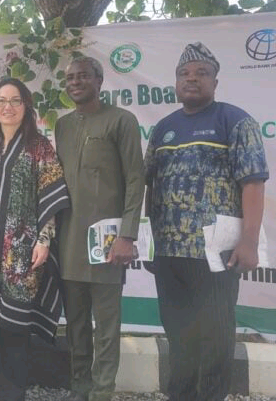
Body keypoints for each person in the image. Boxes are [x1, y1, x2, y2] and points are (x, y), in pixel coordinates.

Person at [144, 42, 268, 401]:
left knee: (215, 338)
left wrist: (249, 241)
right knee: (179, 336)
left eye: (201, 73)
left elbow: (253, 183)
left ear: (215, 81)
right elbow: (150, 185)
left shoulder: (235, 121)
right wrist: (149, 242)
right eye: (184, 74)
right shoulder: (164, 129)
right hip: (169, 254)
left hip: (216, 254)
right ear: (176, 82)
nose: (191, 79)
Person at [0, 78, 70, 401]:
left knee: (14, 323)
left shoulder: (39, 147)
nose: (7, 107)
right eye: (1, 101)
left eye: (15, 100)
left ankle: (12, 392)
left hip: (19, 252)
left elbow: (50, 196)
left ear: (26, 106)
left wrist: (44, 239)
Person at [54, 56, 144, 401]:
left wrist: (127, 235)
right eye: (70, 78)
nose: (76, 82)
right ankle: (80, 388)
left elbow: (135, 179)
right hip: (69, 243)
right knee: (76, 325)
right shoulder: (63, 126)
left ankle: (102, 391)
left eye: (83, 76)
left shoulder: (121, 120)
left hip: (108, 244)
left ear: (99, 81)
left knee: (106, 326)